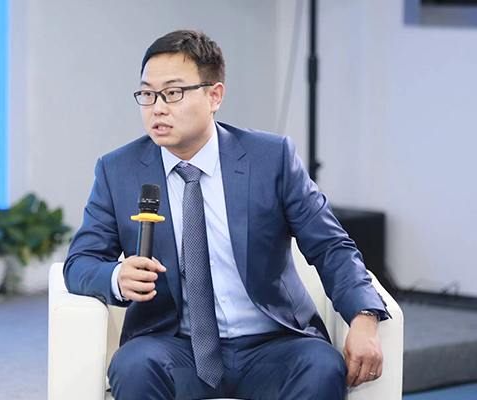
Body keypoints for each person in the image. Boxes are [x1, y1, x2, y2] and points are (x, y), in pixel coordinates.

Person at [64, 29, 390, 400]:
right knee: (133, 365)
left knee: (321, 366)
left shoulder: (271, 159)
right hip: (175, 346)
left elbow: (331, 246)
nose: (157, 108)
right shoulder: (118, 171)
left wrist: (364, 317)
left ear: (214, 96)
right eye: (147, 94)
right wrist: (116, 276)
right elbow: (79, 263)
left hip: (273, 345)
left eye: (173, 93)